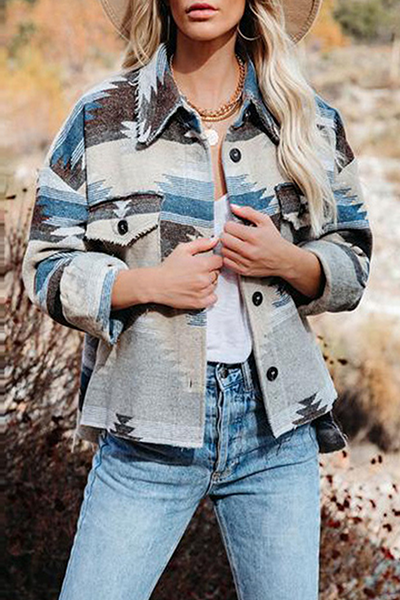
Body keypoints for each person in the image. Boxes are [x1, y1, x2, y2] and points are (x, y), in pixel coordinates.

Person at [21, 1, 373, 598]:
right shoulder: (100, 118)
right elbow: (46, 264)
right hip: (145, 430)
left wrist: (288, 261)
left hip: (276, 432)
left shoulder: (307, 121)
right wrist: (147, 285)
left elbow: (354, 258)